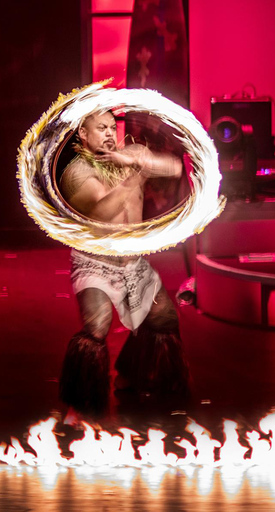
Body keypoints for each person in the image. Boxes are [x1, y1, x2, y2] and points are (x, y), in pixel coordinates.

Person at [58, 110, 190, 419]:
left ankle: (130, 374)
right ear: (83, 134)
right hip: (95, 261)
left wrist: (135, 162)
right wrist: (135, 177)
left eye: (111, 127)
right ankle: (79, 406)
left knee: (164, 319)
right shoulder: (76, 173)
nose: (108, 133)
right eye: (100, 128)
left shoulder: (131, 154)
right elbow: (104, 211)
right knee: (97, 327)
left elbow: (173, 168)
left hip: (133, 262)